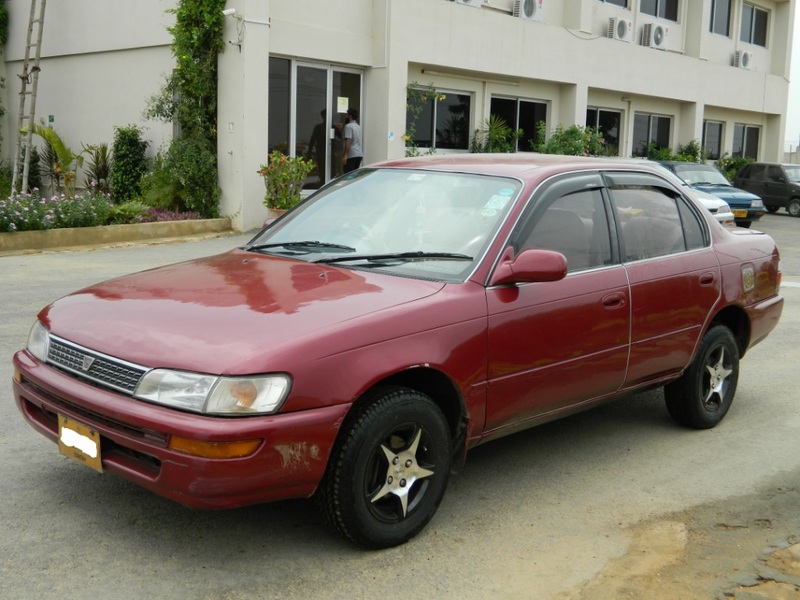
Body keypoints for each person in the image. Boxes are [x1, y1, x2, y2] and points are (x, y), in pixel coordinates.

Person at [341, 108, 363, 174]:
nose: (346, 116)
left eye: (347, 115)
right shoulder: (358, 126)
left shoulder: (348, 126)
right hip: (358, 154)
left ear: (350, 116)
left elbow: (348, 141)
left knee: (348, 176)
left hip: (351, 155)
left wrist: (345, 155)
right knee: (354, 175)